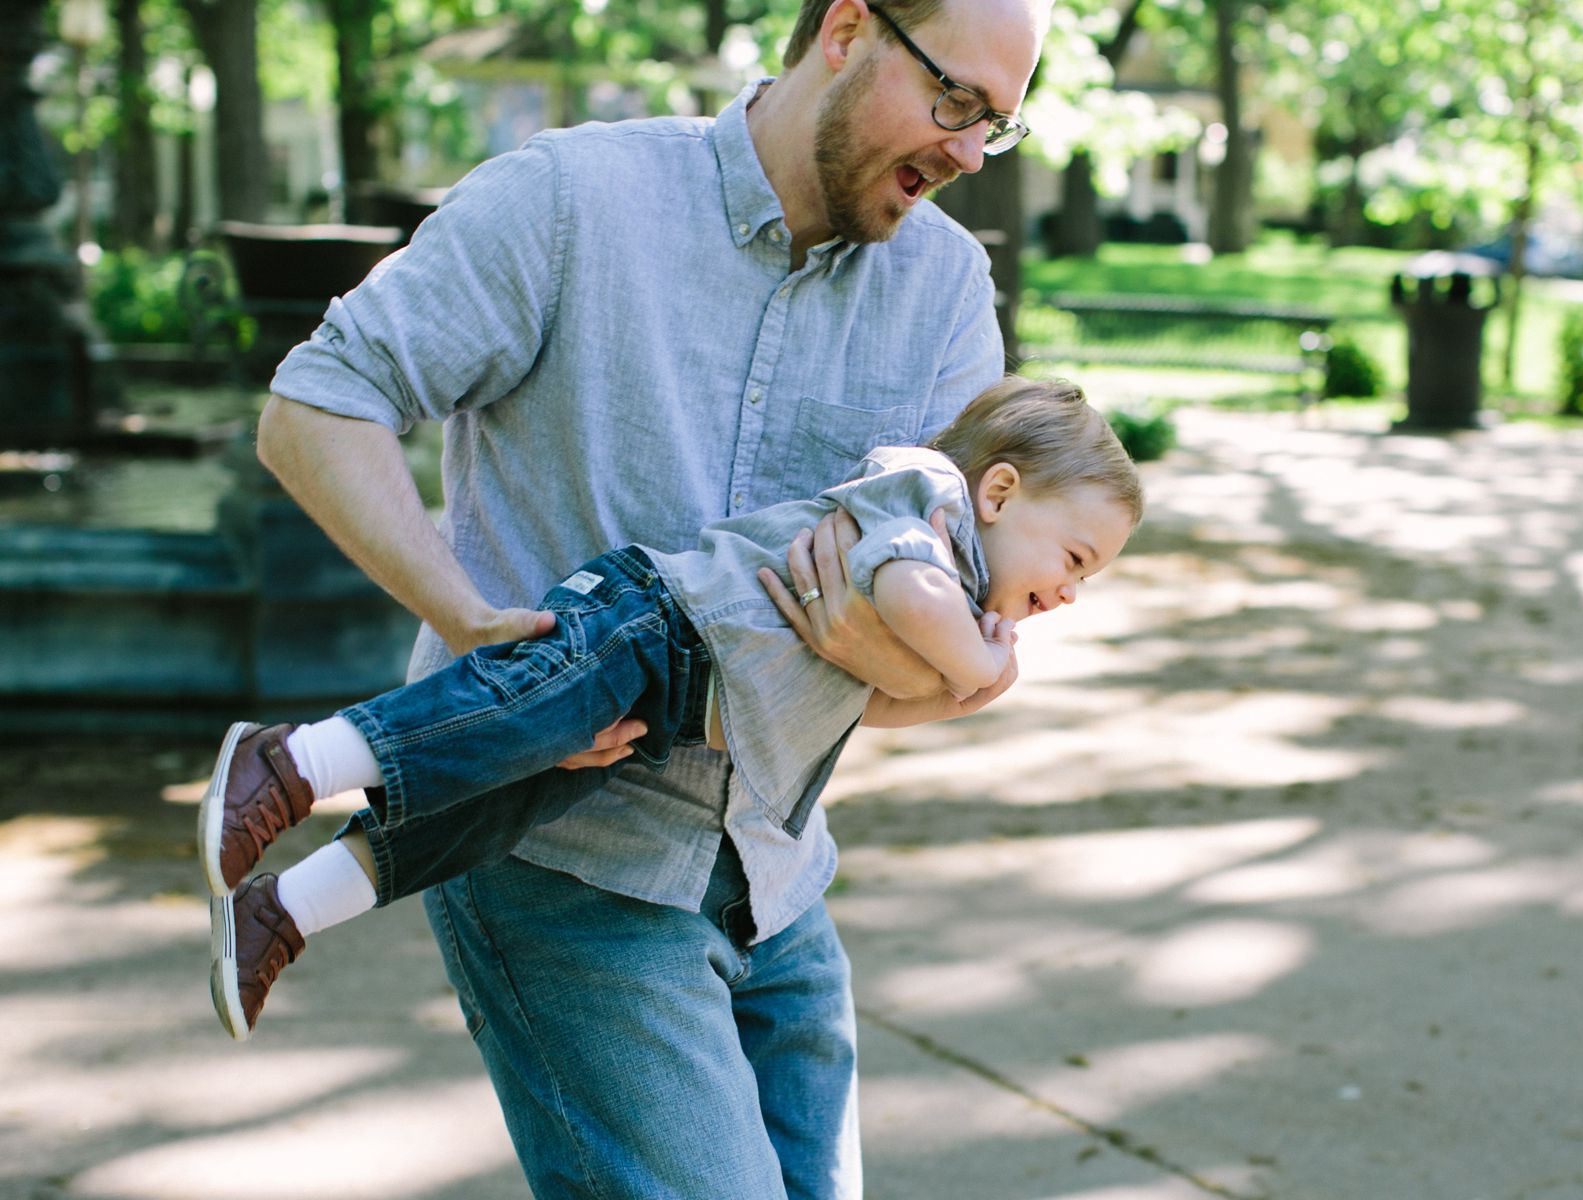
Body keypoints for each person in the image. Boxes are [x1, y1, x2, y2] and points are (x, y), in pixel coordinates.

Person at [251, 0, 1049, 1192]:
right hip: (559, 860)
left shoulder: (943, 288)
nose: (971, 153)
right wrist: (471, 624)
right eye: (954, 103)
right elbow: (316, 405)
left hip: (776, 874)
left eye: (1001, 124)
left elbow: (967, 614)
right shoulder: (575, 199)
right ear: (845, 31)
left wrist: (941, 672)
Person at [205, 377, 1140, 1042]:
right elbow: (898, 592)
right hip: (657, 627)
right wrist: (983, 669)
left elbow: (860, 702)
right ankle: (289, 765)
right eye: (1074, 560)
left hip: (676, 711)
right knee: (502, 718)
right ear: (1002, 490)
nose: (1069, 594)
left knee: (487, 813)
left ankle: (282, 912)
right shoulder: (927, 502)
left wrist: (948, 694)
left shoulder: (962, 583)